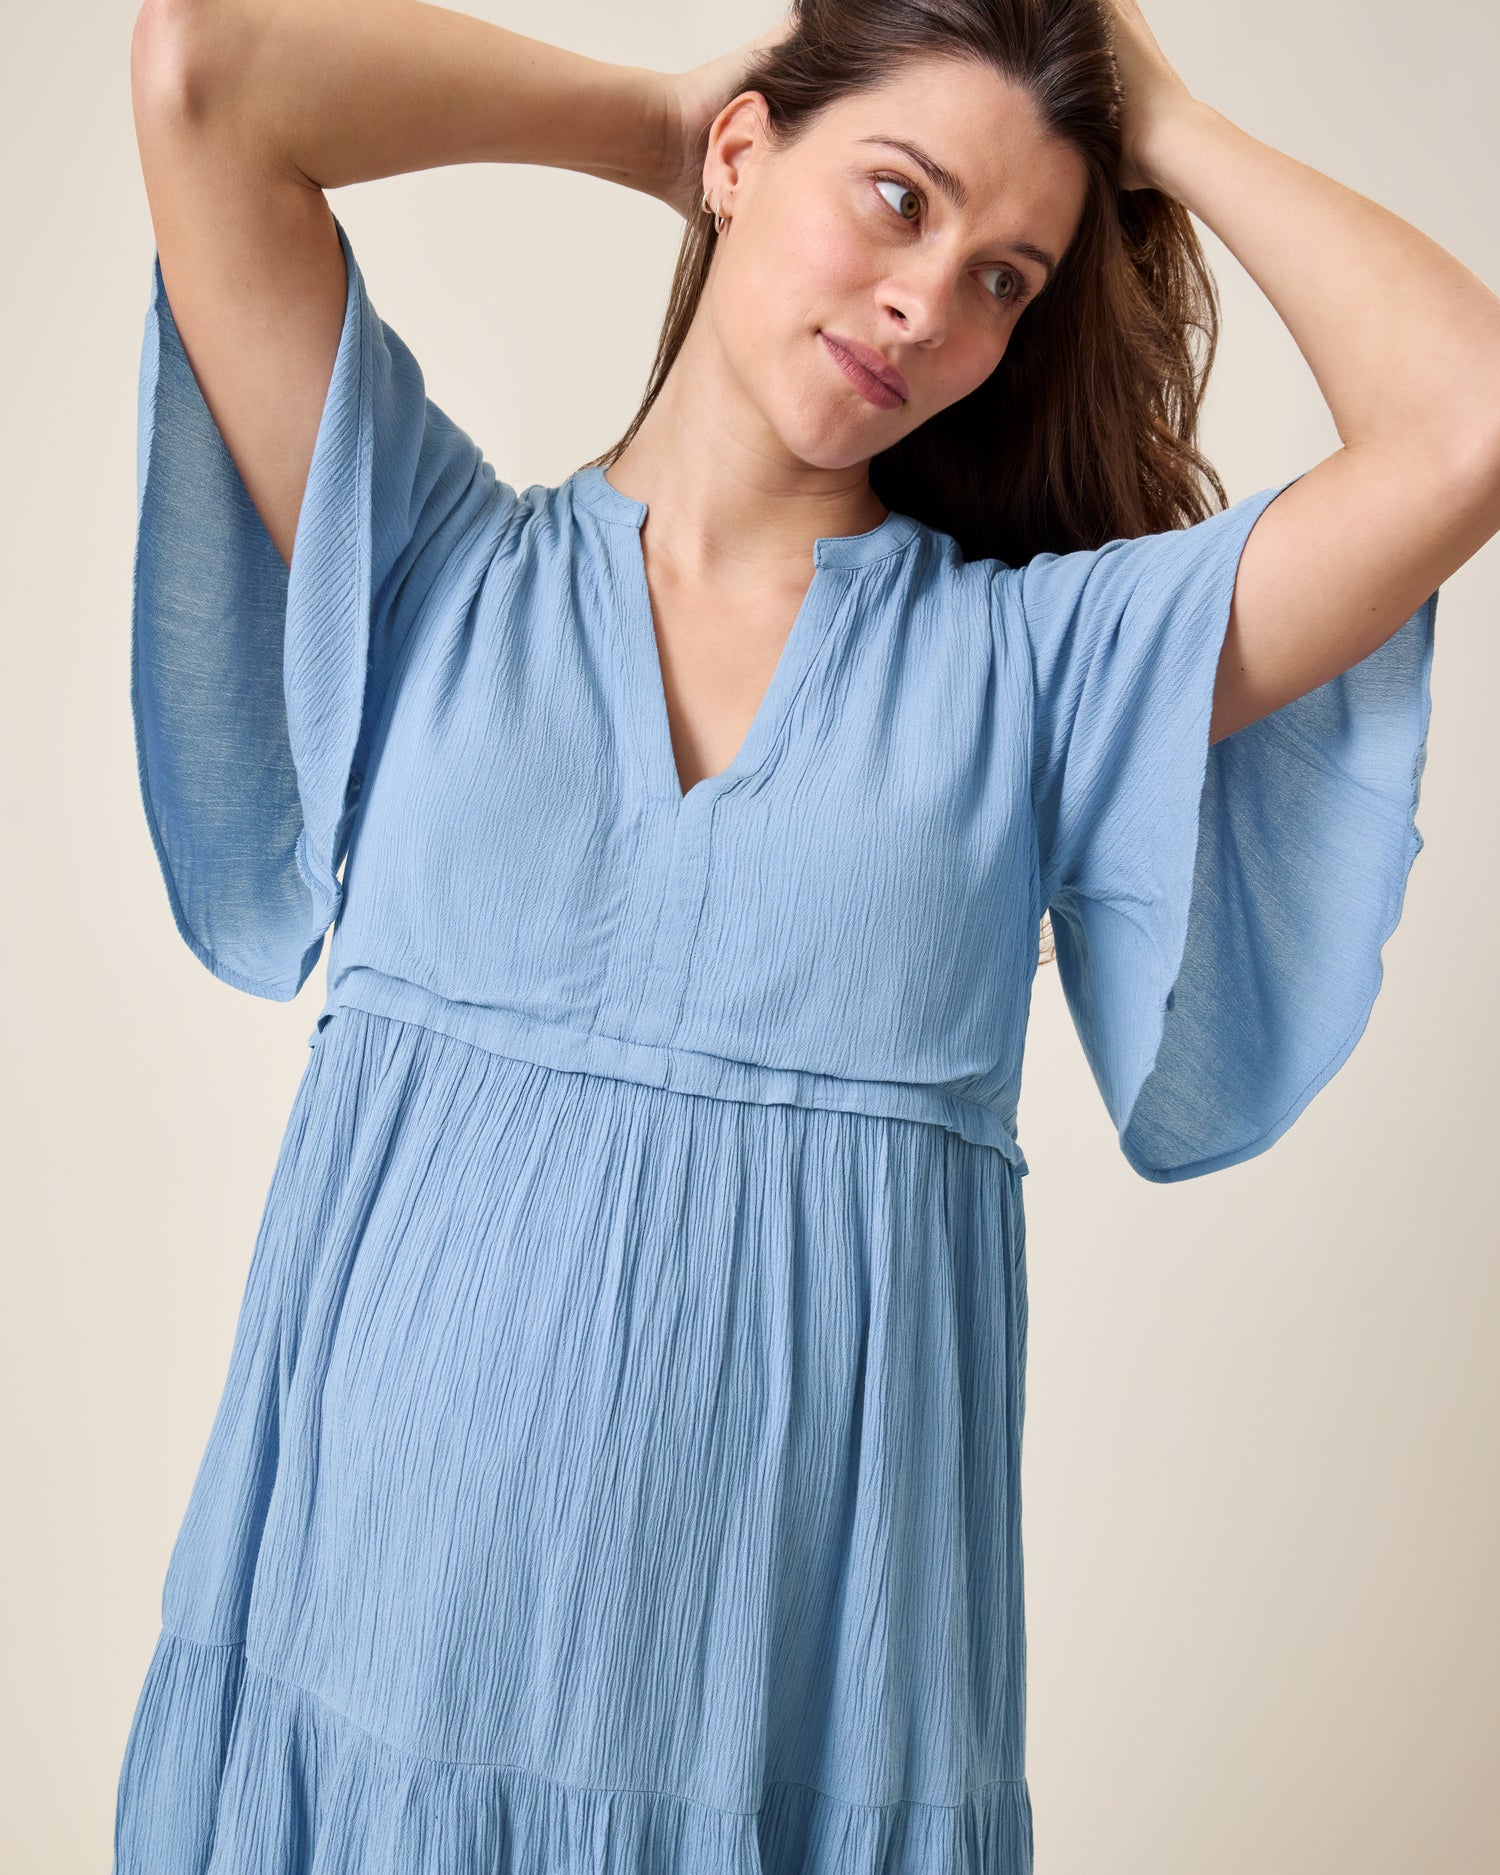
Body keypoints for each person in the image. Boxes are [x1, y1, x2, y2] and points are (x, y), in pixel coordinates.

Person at [113, 0, 1492, 1870]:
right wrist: (660, 122)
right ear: (752, 160)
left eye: (1007, 274)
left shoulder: (1038, 678)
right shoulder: (433, 576)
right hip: (345, 1697)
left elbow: (1465, 426)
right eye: (897, 198)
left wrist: (1154, 118)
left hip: (785, 1754)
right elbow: (205, 71)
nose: (935, 303)